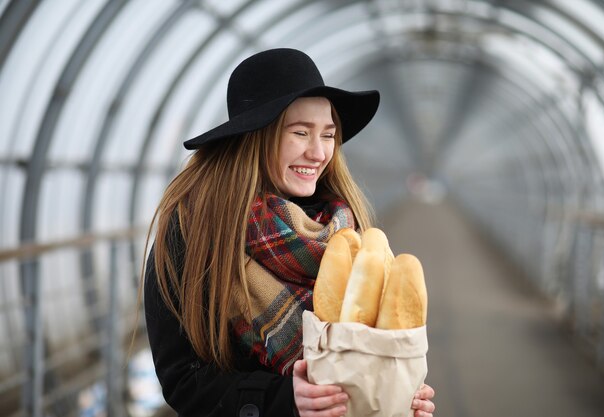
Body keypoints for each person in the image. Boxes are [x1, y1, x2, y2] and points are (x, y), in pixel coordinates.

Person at [143, 48, 436, 417]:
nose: (318, 152)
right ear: (254, 137)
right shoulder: (194, 231)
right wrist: (284, 400)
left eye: (328, 135)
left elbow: (375, 347)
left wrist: (401, 391)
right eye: (300, 133)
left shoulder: (347, 227)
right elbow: (181, 380)